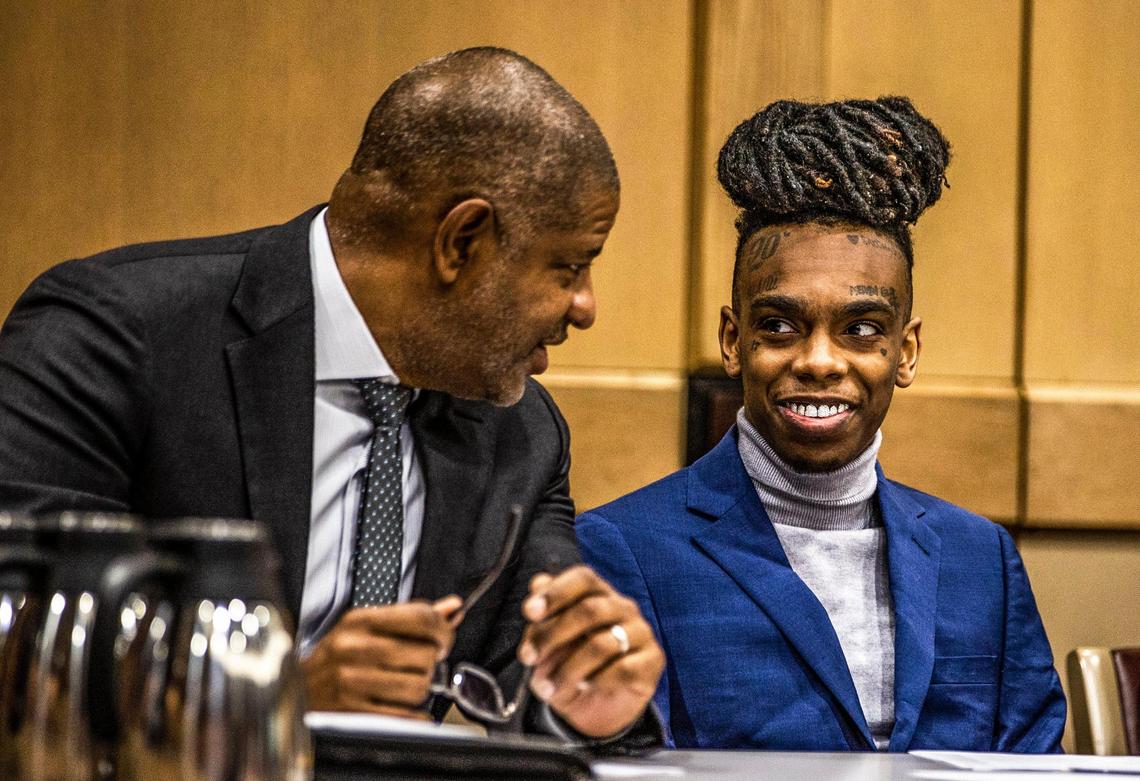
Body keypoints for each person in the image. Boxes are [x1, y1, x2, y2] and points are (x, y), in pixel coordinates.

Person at [0, 47, 663, 745]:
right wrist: (275, 694)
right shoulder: (118, 334)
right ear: (461, 241)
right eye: (571, 266)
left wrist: (591, 693)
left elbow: (536, 677)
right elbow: (22, 637)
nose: (586, 307)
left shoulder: (521, 432)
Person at [577, 96, 1065, 751]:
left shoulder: (983, 560)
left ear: (906, 351)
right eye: (779, 325)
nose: (818, 361)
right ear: (732, 338)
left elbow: (1038, 762)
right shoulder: (622, 548)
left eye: (861, 330)